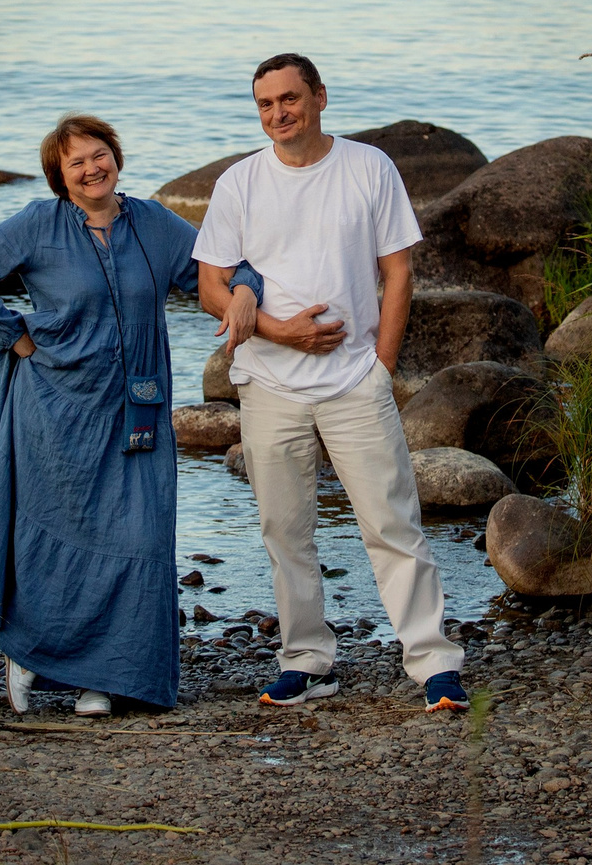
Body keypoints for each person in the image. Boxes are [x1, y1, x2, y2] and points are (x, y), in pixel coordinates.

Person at [0, 112, 261, 717]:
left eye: (98, 154)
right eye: (75, 163)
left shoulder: (154, 225)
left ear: (116, 155)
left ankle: (106, 677)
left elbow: (215, 270)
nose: (91, 168)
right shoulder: (38, 225)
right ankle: (30, 655)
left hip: (136, 407)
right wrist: (15, 337)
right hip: (55, 406)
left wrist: (244, 289)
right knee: (53, 534)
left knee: (138, 533)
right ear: (59, 177)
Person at [194, 52, 470, 714]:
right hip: (269, 383)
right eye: (265, 104)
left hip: (354, 381)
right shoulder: (239, 183)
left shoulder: (368, 168)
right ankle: (308, 661)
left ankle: (434, 662)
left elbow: (397, 272)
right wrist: (281, 332)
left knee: (391, 521)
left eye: (289, 98)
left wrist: (381, 363)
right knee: (285, 528)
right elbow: (210, 285)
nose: (278, 113)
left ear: (319, 96)